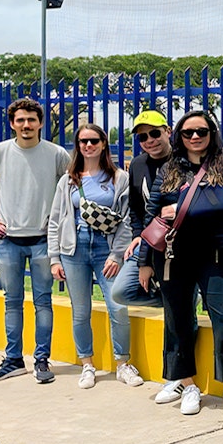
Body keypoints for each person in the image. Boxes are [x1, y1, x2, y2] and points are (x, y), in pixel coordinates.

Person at [136, 111, 223, 416]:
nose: (195, 137)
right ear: (179, 137)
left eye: (201, 131)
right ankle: (187, 385)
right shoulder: (169, 169)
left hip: (216, 254)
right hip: (173, 255)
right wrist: (144, 261)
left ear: (211, 132)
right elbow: (152, 216)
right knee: (177, 319)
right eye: (188, 133)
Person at [0, 98, 70, 384]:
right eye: (20, 120)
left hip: (43, 240)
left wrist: (61, 223)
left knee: (43, 302)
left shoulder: (56, 154)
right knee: (12, 301)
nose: (26, 125)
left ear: (40, 123)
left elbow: (72, 186)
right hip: (8, 240)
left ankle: (41, 360)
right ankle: (13, 360)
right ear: (12, 123)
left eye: (32, 120)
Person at [47, 123, 143, 390]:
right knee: (80, 311)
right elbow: (56, 219)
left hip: (106, 248)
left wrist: (116, 254)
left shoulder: (118, 178)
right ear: (77, 146)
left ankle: (123, 363)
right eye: (83, 141)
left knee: (118, 306)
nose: (88, 145)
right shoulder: (69, 180)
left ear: (103, 144)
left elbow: (125, 219)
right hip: (74, 248)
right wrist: (54, 258)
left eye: (93, 140)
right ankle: (87, 364)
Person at [113, 109, 183, 403]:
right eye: (143, 136)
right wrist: (139, 238)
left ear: (168, 130)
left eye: (155, 133)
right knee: (121, 290)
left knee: (178, 317)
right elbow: (137, 211)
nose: (150, 140)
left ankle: (176, 377)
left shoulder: (182, 160)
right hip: (151, 244)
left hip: (182, 244)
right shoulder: (138, 165)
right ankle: (174, 300)